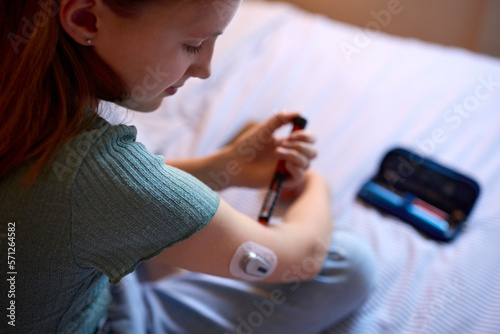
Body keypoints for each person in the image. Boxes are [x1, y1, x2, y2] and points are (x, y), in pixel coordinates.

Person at [0, 0, 377, 333]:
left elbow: (95, 206)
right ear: (85, 19)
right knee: (348, 262)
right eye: (193, 45)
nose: (206, 68)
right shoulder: (95, 171)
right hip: (104, 315)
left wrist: (223, 166)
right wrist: (315, 185)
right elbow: (297, 259)